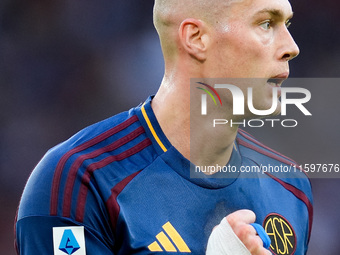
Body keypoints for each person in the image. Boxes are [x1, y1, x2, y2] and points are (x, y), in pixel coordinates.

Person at [15, 0, 313, 254]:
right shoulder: (80, 180)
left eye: (287, 24)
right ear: (196, 38)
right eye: (266, 23)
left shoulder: (290, 187)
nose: (292, 47)